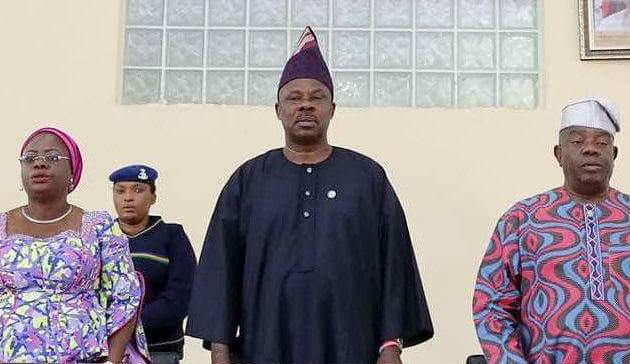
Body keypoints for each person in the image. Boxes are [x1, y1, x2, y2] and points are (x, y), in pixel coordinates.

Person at [186, 26, 434, 364]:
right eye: (294, 98)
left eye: (316, 98)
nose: (305, 106)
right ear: (277, 109)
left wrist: (390, 346)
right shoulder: (248, 180)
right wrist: (219, 350)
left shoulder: (367, 178)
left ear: (332, 109)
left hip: (352, 345)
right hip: (264, 346)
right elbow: (221, 267)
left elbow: (395, 263)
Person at [473, 97, 629, 363]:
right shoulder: (522, 218)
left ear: (613, 155)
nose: (591, 149)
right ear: (559, 154)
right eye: (578, 141)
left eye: (602, 143)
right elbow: (491, 303)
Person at [0, 127, 150, 363]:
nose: (39, 164)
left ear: (72, 171)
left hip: (83, 357)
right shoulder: (1, 226)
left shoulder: (99, 226)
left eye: (52, 157)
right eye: (30, 159)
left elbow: (126, 297)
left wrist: (112, 360)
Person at [110, 164, 196, 364]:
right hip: (107, 352)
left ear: (153, 197)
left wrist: (128, 326)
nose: (128, 197)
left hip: (158, 351)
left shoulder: (172, 236)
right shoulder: (102, 237)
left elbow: (180, 297)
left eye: (138, 190)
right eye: (120, 191)